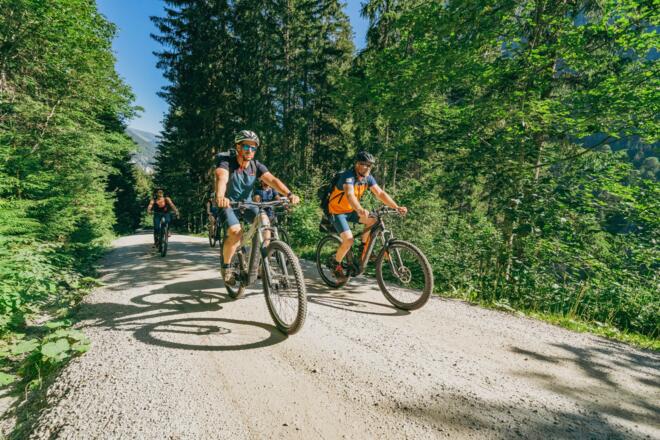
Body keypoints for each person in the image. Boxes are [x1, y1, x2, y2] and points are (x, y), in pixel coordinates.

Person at [215, 130, 300, 285]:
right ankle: (226, 268)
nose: (250, 150)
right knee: (235, 232)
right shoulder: (227, 162)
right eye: (246, 146)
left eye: (253, 147)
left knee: (265, 222)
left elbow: (272, 180)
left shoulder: (256, 165)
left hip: (248, 204)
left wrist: (289, 194)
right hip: (228, 204)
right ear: (238, 147)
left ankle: (262, 264)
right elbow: (222, 177)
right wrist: (221, 196)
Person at [327, 151, 407, 281]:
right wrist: (359, 209)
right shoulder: (348, 176)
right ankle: (336, 265)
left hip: (351, 210)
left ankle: (363, 249)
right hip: (337, 212)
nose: (368, 168)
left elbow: (380, 193)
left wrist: (396, 207)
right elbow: (349, 194)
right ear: (357, 164)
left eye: (370, 165)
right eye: (365, 164)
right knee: (349, 240)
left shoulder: (368, 178)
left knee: (373, 220)